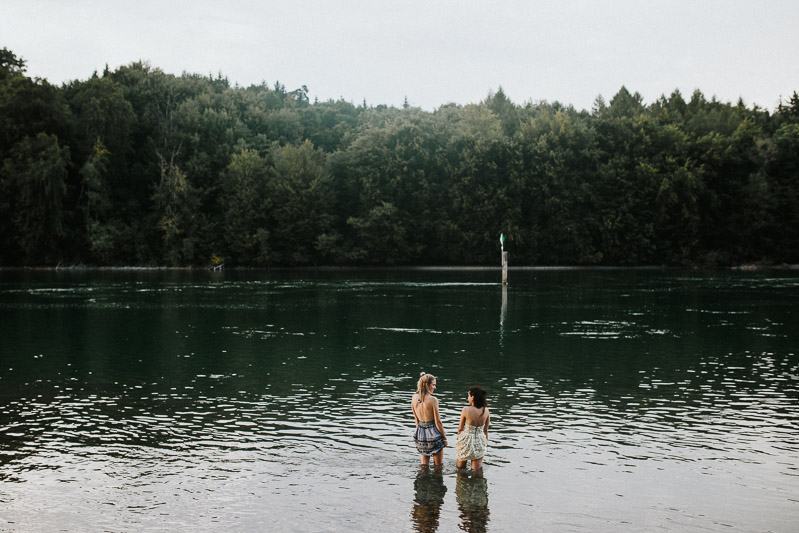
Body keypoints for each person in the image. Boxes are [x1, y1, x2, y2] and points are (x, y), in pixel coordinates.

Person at [412, 372, 447, 466]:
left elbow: (416, 419)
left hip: (420, 432)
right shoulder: (433, 400)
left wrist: (421, 433)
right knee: (438, 466)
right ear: (427, 385)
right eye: (433, 385)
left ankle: (423, 480)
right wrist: (445, 438)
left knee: (424, 465)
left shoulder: (414, 397)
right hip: (434, 433)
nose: (435, 387)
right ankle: (437, 479)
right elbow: (438, 421)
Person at [455, 386, 490, 470]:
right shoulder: (486, 411)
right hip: (480, 440)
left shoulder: (466, 410)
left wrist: (459, 439)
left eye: (468, 396)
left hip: (466, 440)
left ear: (472, 397)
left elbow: (460, 429)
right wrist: (485, 444)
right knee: (476, 470)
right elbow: (485, 430)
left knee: (460, 469)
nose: (468, 398)